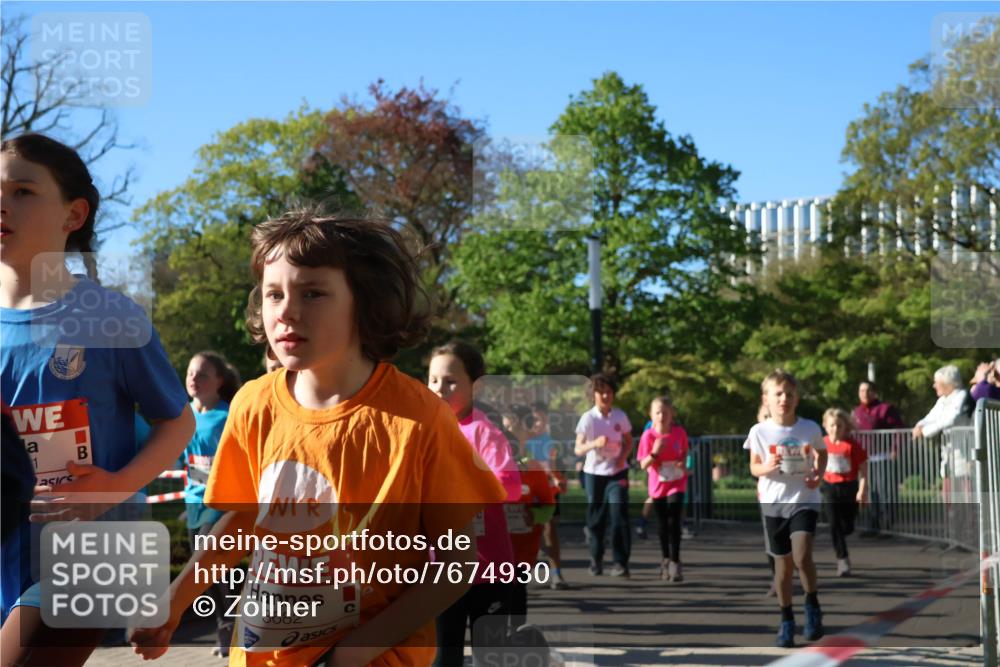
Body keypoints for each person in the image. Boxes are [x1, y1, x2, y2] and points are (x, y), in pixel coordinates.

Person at [130, 208, 507, 667]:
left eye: (313, 293)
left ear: (363, 303)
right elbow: (242, 522)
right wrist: (173, 600)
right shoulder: (252, 403)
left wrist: (353, 651)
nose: (286, 311)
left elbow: (457, 563)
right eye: (273, 294)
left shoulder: (419, 417)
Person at [0, 133, 195, 666]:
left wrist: (113, 486)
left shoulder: (111, 318)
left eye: (22, 191)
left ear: (73, 214)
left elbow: (176, 422)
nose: (2, 203)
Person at [427, 341, 522, 667]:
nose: (440, 389)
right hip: (441, 569)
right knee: (443, 657)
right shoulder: (425, 433)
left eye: (451, 381)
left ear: (475, 386)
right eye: (434, 380)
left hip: (490, 569)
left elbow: (511, 486)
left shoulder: (484, 432)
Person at [745, 370, 827, 648]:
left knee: (802, 555)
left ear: (797, 399)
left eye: (789, 394)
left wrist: (819, 474)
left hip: (804, 498)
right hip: (773, 502)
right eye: (777, 394)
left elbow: (822, 452)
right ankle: (786, 619)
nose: (784, 399)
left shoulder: (809, 428)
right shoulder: (759, 431)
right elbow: (754, 465)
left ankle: (812, 605)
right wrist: (764, 468)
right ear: (765, 399)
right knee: (782, 569)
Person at [181, 351, 241, 658]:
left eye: (202, 374)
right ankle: (224, 624)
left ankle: (232, 627)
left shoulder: (229, 415)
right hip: (193, 500)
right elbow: (185, 462)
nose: (194, 379)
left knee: (213, 563)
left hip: (220, 503)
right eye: (191, 373)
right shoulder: (183, 416)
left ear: (219, 381)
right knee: (205, 573)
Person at [501, 405, 557, 625]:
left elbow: (548, 506)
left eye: (512, 428)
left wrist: (533, 516)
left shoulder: (533, 468)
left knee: (517, 595)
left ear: (527, 431)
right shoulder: (489, 466)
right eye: (503, 429)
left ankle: (516, 638)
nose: (506, 434)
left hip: (523, 546)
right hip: (493, 548)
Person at [574, 373, 633, 578]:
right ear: (594, 395)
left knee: (619, 515)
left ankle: (620, 562)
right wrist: (594, 443)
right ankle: (595, 558)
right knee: (596, 517)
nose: (605, 396)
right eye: (601, 392)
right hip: (594, 472)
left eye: (608, 392)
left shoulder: (619, 416)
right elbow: (578, 448)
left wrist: (622, 457)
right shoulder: (588, 418)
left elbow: (629, 440)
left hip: (617, 471)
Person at [636, 396, 689, 582]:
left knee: (674, 520)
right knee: (662, 524)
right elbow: (643, 464)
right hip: (658, 483)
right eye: (658, 412)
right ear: (651, 415)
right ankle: (665, 558)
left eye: (665, 412)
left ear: (672, 414)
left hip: (676, 481)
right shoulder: (648, 436)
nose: (661, 416)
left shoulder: (679, 433)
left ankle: (675, 561)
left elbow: (684, 453)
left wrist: (683, 464)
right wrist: (654, 452)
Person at [525, 402, 569, 590]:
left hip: (547, 491)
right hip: (526, 491)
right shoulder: (521, 441)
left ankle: (556, 573)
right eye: (534, 419)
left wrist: (558, 478)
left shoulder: (550, 443)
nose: (537, 423)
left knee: (549, 529)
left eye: (541, 419)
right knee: (525, 532)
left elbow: (554, 467)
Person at [820, 409, 868, 577]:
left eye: (839, 426)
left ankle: (845, 531)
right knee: (834, 524)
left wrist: (863, 490)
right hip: (829, 487)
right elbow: (815, 464)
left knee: (848, 526)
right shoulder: (822, 443)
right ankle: (842, 559)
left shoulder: (852, 445)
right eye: (832, 425)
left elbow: (863, 469)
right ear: (826, 426)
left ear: (845, 427)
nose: (835, 429)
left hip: (849, 487)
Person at [853, 381, 903, 535]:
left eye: (868, 390)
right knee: (869, 492)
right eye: (861, 390)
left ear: (874, 392)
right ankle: (873, 526)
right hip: (864, 459)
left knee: (885, 492)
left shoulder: (885, 409)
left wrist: (896, 448)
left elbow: (899, 429)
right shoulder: (856, 412)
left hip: (882, 457)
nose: (864, 394)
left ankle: (887, 526)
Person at [912, 365, 970, 440]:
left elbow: (951, 419)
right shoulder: (942, 399)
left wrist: (925, 431)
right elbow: (932, 416)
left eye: (936, 382)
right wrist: (919, 425)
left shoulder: (962, 395)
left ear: (947, 383)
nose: (934, 386)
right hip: (950, 447)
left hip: (964, 447)